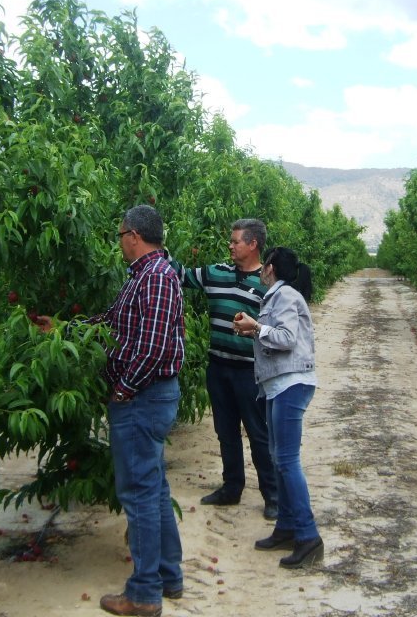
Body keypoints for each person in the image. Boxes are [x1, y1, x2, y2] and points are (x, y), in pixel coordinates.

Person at [93, 205, 186, 617]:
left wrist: (122, 391)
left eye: (119, 236)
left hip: (143, 398)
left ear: (133, 235)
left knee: (140, 493)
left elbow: (152, 348)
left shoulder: (158, 278)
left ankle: (145, 592)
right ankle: (168, 576)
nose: (119, 243)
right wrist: (63, 329)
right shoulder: (144, 277)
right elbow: (112, 323)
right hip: (148, 396)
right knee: (155, 487)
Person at [169, 219, 279, 520]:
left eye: (235, 241)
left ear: (253, 244)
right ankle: (232, 488)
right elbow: (181, 276)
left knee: (258, 433)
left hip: (250, 371)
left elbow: (279, 328)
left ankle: (273, 495)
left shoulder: (269, 284)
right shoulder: (217, 273)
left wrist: (257, 329)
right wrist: (158, 250)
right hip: (218, 366)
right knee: (225, 431)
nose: (230, 245)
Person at [231, 246, 323, 569]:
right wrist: (254, 327)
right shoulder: (277, 296)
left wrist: (255, 327)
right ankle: (286, 526)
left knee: (286, 460)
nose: (260, 271)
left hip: (290, 384)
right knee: (278, 457)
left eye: (263, 267)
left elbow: (285, 338)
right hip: (277, 386)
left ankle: (308, 536)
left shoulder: (286, 297)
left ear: (269, 267)